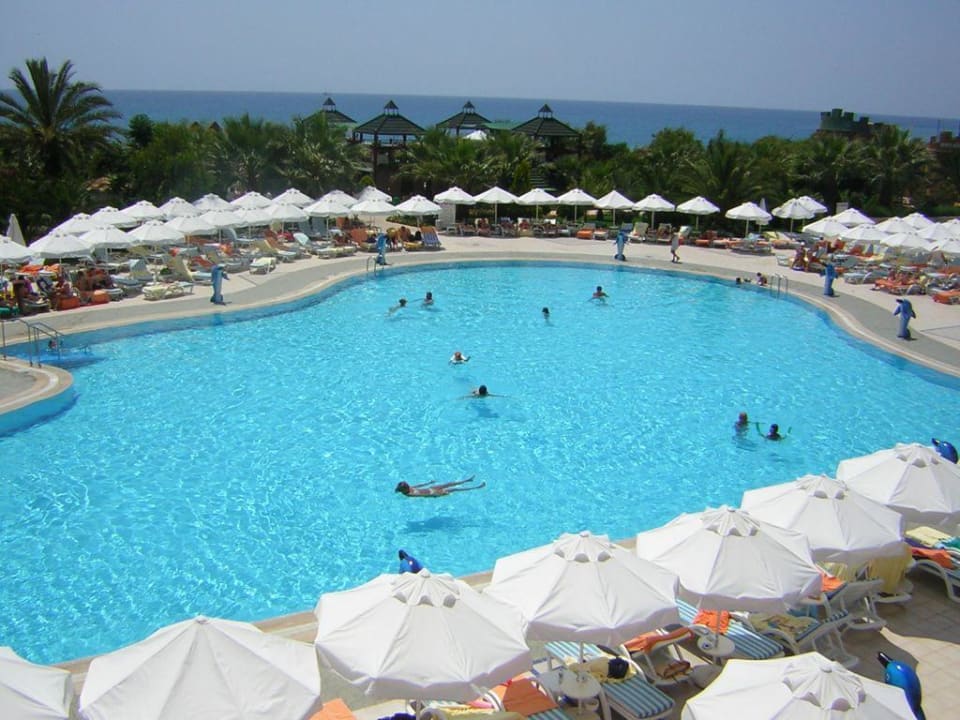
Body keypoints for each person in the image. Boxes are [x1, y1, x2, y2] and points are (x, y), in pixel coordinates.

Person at [395, 476, 486, 497]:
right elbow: (424, 495)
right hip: (434, 492)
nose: (409, 486)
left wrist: (428, 483)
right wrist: (438, 494)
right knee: (454, 489)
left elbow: (419, 485)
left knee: (448, 484)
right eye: (407, 486)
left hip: (431, 489)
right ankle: (477, 487)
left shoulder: (409, 488)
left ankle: (467, 480)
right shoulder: (409, 494)